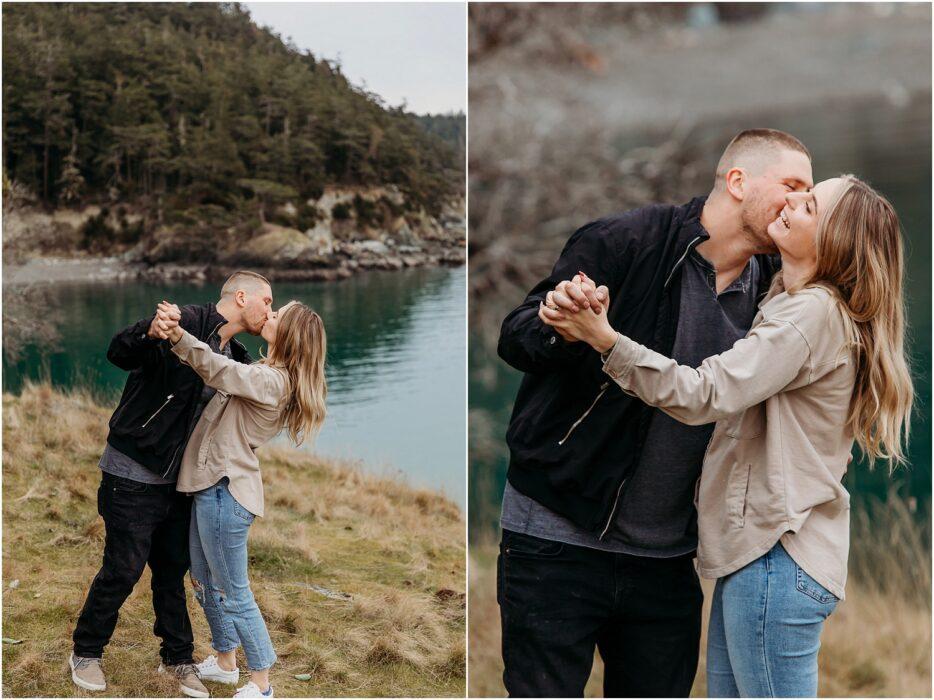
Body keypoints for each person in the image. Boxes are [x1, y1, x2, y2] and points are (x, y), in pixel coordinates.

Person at [542, 175, 912, 697]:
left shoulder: (810, 315)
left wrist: (607, 341)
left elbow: (705, 392)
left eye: (810, 206)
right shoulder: (793, 300)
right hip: (762, 559)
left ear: (836, 242)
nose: (791, 202)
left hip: (778, 559)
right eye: (799, 192)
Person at [496, 129, 813, 697]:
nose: (798, 203)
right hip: (557, 536)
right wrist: (559, 323)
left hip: (670, 559)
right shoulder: (626, 241)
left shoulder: (779, 295)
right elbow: (516, 339)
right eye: (791, 186)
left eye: (807, 194)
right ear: (737, 181)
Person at [69, 271, 273, 698]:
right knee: (123, 569)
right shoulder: (181, 321)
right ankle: (86, 652)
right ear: (241, 297)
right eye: (267, 302)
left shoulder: (235, 355)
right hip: (131, 470)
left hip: (180, 485)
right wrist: (148, 331)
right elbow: (118, 352)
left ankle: (178, 660)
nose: (269, 311)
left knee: (171, 574)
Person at [153, 298, 327, 699]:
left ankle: (262, 683)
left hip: (225, 492)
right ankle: (226, 661)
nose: (270, 314)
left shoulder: (273, 381)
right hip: (210, 488)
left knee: (233, 590)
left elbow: (218, 369)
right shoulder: (267, 371)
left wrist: (179, 336)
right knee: (203, 581)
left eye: (278, 314)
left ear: (291, 334)